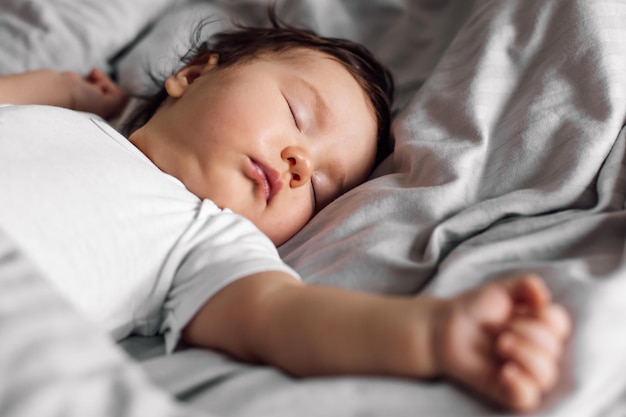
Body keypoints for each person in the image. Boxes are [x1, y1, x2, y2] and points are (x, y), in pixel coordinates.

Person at [0, 16, 570, 413]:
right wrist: (63, 92)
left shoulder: (203, 237)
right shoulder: (70, 123)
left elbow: (282, 316)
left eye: (321, 188)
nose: (300, 164)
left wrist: (436, 334)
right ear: (194, 76)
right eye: (298, 115)